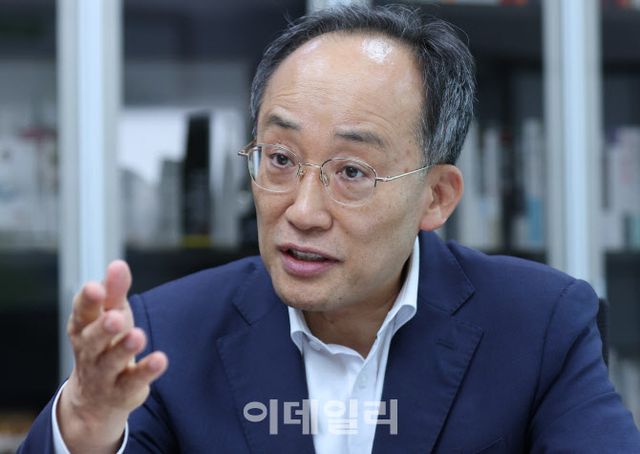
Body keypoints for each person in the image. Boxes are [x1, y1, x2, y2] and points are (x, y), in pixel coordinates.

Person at [19, 4, 640, 453]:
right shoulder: (167, 335)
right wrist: (88, 421)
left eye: (352, 171)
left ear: (436, 197)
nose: (304, 211)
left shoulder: (539, 325)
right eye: (279, 159)